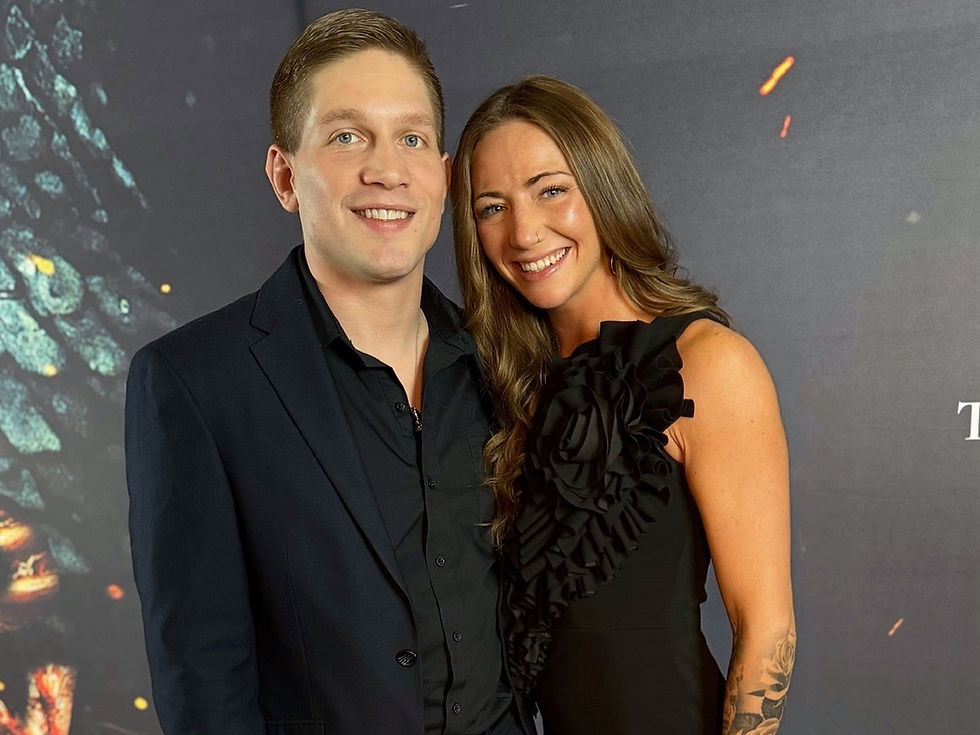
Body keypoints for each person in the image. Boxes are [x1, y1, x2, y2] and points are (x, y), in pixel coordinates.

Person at [125, 10, 530, 735]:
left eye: (411, 137)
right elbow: (205, 691)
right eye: (347, 137)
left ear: (441, 177)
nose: (386, 168)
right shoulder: (194, 384)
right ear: (285, 176)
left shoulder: (505, 362)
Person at [450, 76, 796, 735]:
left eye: (551, 189)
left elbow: (766, 625)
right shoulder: (502, 380)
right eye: (491, 206)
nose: (524, 231)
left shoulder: (707, 361)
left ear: (601, 186)